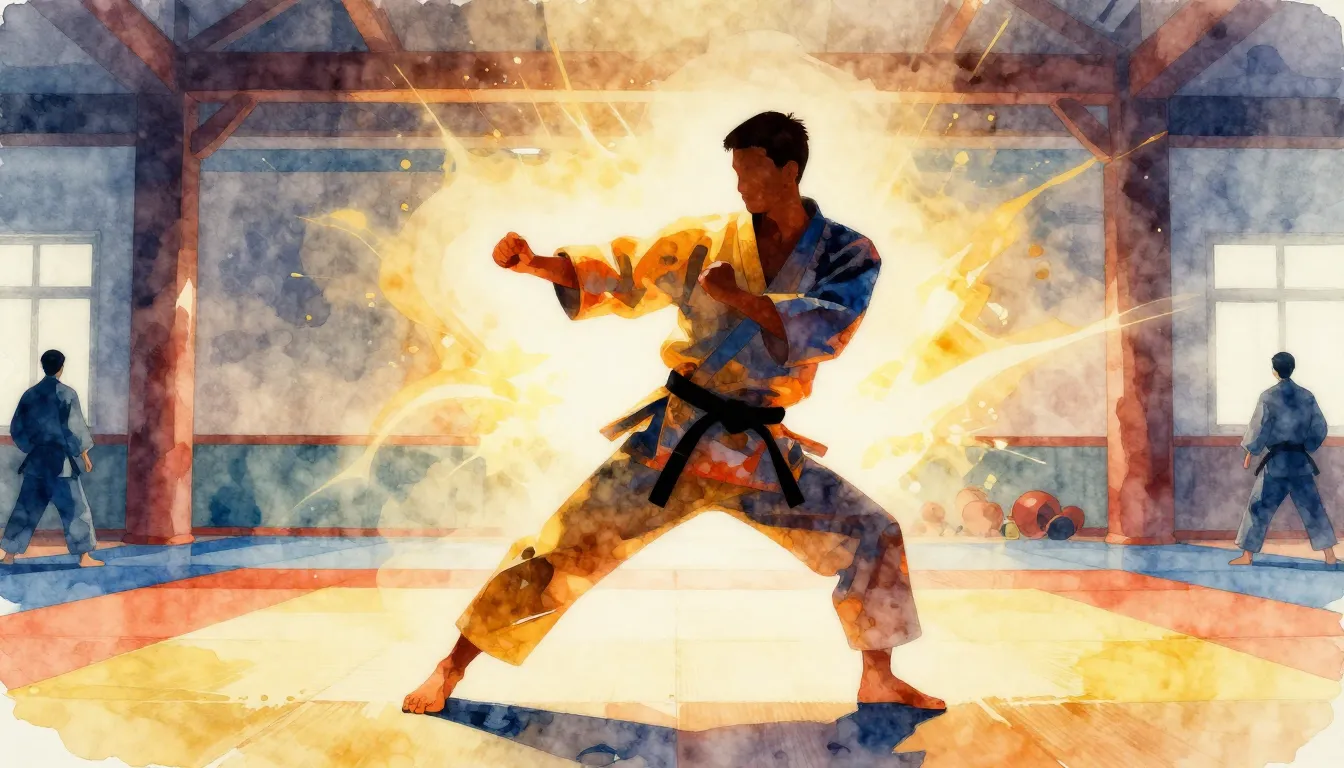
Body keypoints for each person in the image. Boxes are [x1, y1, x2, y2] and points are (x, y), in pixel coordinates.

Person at [403, 112, 943, 714]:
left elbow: (826, 328)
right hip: (676, 439)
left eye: (753, 173)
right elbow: (626, 273)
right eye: (736, 173)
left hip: (760, 452)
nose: (741, 186)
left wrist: (738, 298)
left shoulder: (848, 252)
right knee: (560, 548)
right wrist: (537, 264)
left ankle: (878, 677)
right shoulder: (706, 241)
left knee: (872, 532)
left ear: (790, 171)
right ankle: (450, 667)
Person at [1231, 352, 1338, 567]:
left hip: (1276, 464)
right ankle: (1330, 556)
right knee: (1313, 508)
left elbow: (1259, 428)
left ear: (1274, 370)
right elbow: (1320, 427)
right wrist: (1307, 446)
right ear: (1292, 368)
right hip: (1300, 463)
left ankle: (1247, 556)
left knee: (1258, 507)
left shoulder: (1268, 397)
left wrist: (1251, 451)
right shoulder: (1307, 396)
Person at [1, 350, 103, 567]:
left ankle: (9, 555)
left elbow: (17, 427)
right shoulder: (67, 394)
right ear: (61, 368)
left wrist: (31, 447)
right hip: (61, 465)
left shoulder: (30, 394)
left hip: (36, 462)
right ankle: (84, 557)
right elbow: (74, 429)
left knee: (25, 508)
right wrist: (83, 454)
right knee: (75, 510)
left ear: (43, 366)